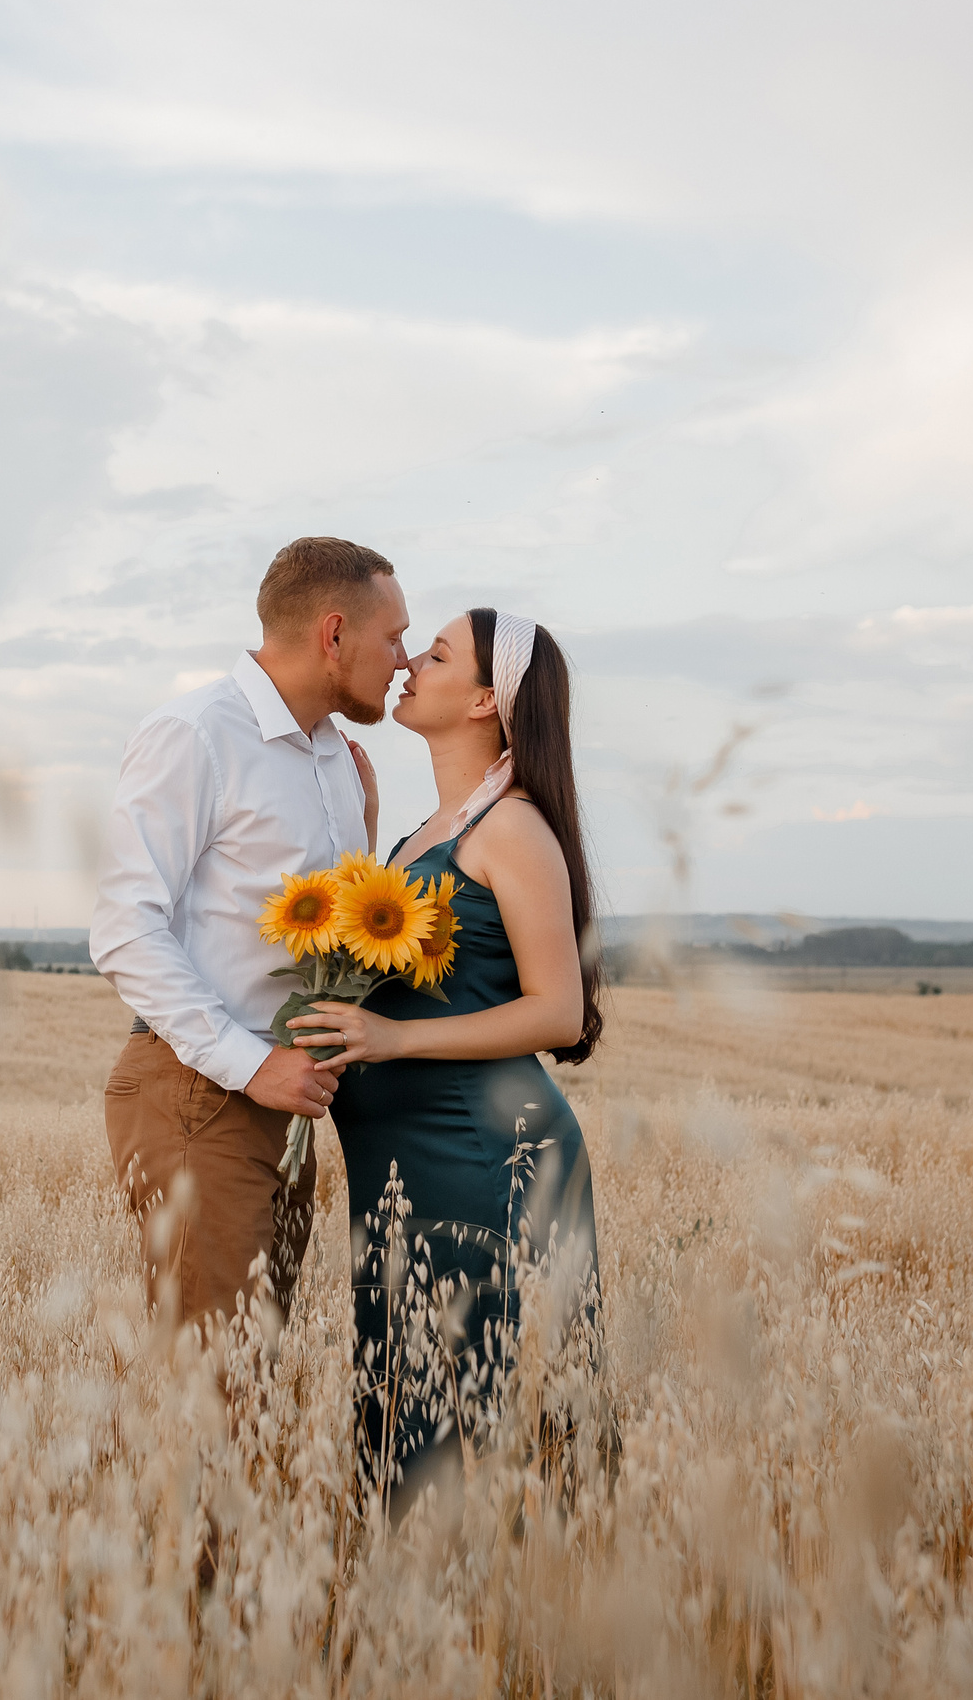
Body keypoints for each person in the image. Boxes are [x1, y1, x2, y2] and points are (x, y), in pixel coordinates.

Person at [286, 608, 603, 1500]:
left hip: (485, 1157)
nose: (408, 664)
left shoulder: (512, 828)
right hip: (404, 1164)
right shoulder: (424, 832)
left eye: (435, 654)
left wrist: (396, 1040)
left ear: (485, 702)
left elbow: (558, 1010)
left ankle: (523, 1619)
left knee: (493, 1416)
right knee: (402, 1403)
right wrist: (368, 836)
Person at [91, 537, 410, 1333]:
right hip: (201, 1093)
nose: (404, 659)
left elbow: (325, 933)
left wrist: (364, 834)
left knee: (252, 1379)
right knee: (217, 1389)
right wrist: (253, 1061)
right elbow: (124, 928)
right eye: (393, 635)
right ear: (333, 635)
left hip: (283, 1099)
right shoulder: (195, 732)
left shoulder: (336, 755)